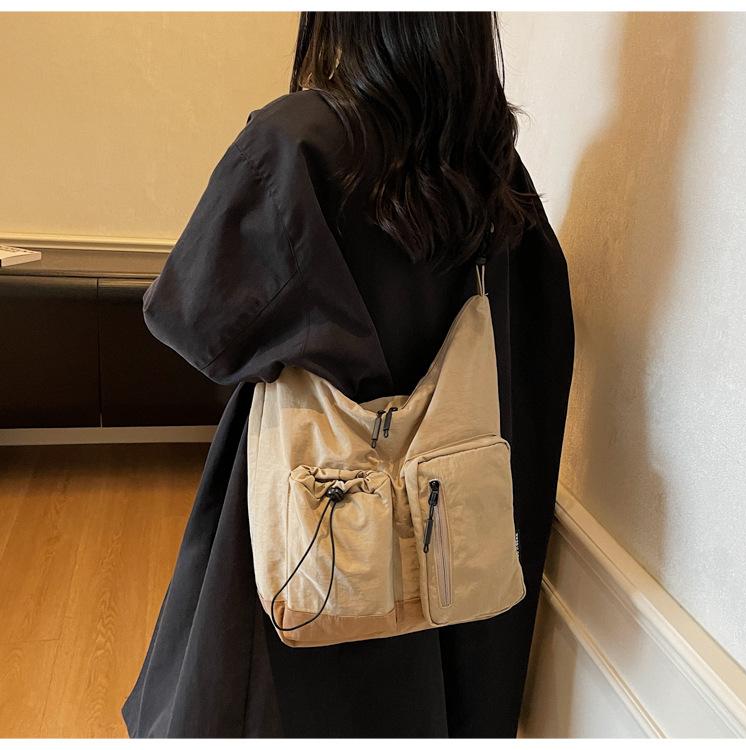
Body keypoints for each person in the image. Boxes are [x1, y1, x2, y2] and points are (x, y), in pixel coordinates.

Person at [121, 11, 574, 738]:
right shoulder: (490, 160)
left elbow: (195, 321)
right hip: (443, 542)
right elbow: (536, 342)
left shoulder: (298, 140)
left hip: (311, 516)